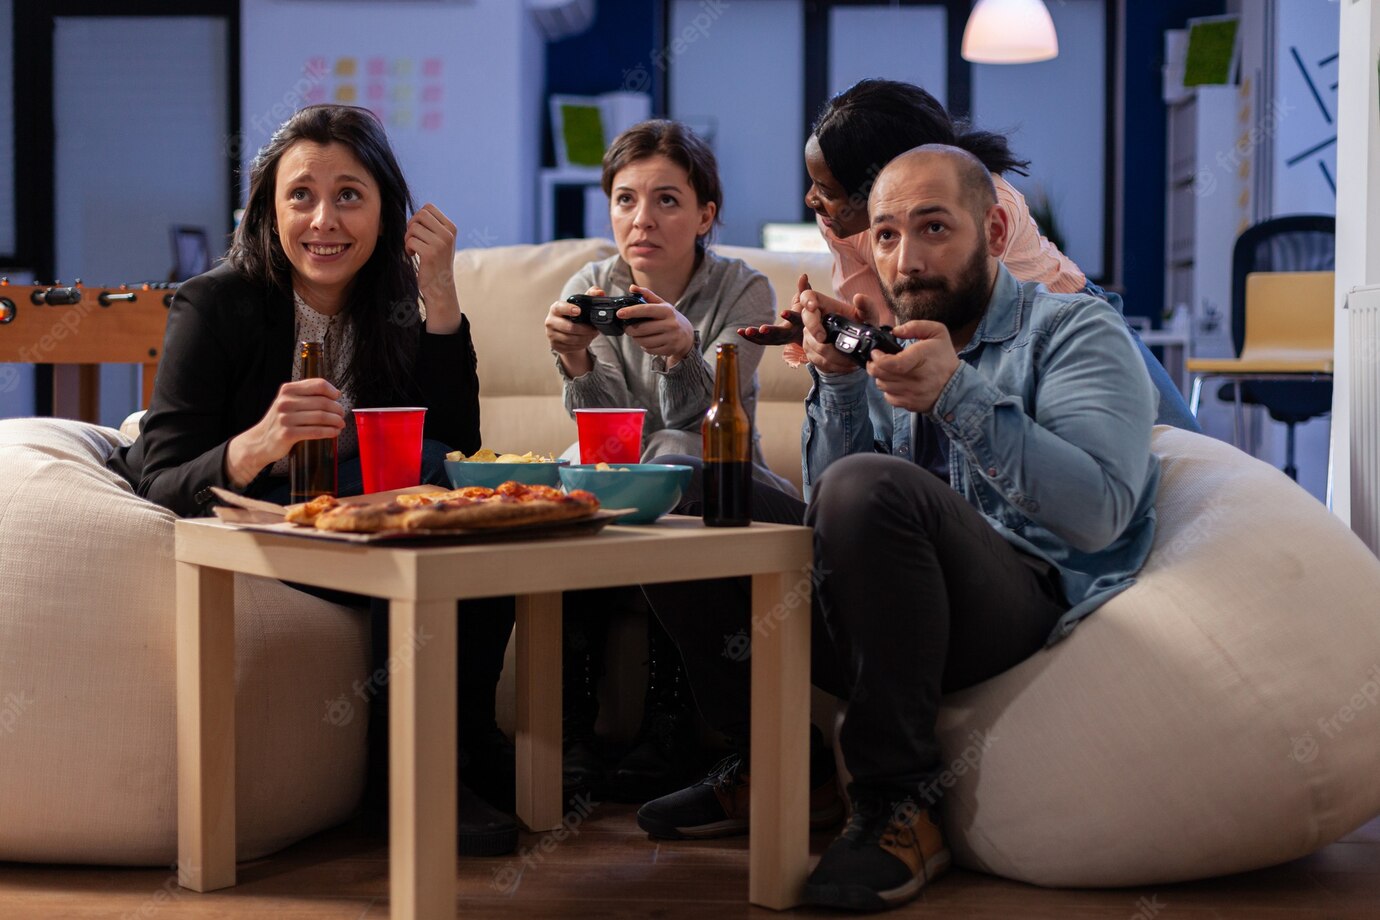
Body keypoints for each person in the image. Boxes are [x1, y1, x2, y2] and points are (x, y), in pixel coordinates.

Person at [636, 145, 1160, 911]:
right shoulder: (894, 335)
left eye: (934, 228)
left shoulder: (1075, 332)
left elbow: (1098, 513)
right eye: (885, 235)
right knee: (685, 489)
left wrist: (958, 394)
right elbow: (833, 517)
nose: (907, 260)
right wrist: (841, 384)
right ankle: (780, 764)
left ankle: (898, 805)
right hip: (891, 609)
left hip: (1018, 599)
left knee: (869, 484)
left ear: (995, 224)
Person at [108, 104, 518, 856]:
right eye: (302, 194)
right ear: (269, 206)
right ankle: (417, 778)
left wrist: (441, 295)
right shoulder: (217, 303)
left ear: (386, 209)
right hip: (264, 519)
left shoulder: (395, 297)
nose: (323, 219)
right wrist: (259, 442)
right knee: (425, 518)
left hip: (365, 517)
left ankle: (467, 746)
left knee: (465, 510)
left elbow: (457, 445)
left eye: (349, 195)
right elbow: (160, 477)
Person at [541, 120, 792, 802]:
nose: (641, 219)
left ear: (706, 214)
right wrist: (573, 359)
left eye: (667, 201)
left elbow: (706, 422)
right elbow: (606, 429)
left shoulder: (744, 290)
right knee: (570, 469)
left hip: (716, 475)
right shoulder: (594, 280)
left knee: (677, 454)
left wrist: (683, 353)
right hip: (627, 476)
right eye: (625, 200)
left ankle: (671, 718)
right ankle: (570, 731)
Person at [740, 78, 1200, 433]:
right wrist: (829, 332)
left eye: (827, 189)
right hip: (964, 346)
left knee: (1184, 450)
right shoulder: (841, 222)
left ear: (887, 180)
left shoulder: (985, 204)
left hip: (1063, 319)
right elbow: (890, 328)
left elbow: (968, 330)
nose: (810, 200)